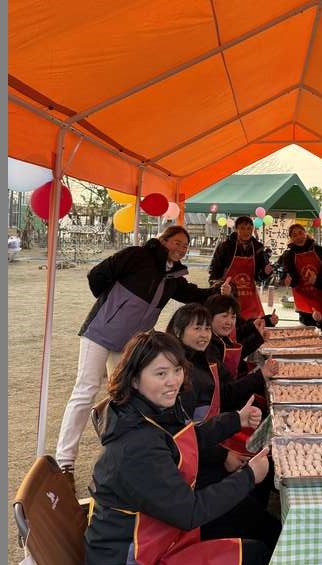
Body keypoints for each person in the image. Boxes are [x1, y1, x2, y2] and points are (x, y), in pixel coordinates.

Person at [85, 329, 322, 565]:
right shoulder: (136, 448)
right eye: (160, 373)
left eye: (176, 370)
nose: (173, 381)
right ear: (134, 379)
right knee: (251, 558)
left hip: (163, 531)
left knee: (246, 513)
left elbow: (187, 438)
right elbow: (190, 512)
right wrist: (249, 476)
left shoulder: (144, 411)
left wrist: (235, 420)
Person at [55, 225, 229, 487]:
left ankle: (118, 454)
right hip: (100, 332)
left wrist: (217, 293)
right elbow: (97, 275)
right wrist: (113, 306)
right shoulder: (137, 255)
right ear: (164, 240)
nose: (181, 249)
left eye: (185, 246)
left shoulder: (173, 277)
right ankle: (65, 461)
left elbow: (192, 294)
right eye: (177, 242)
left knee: (124, 395)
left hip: (129, 344)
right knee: (85, 390)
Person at [166, 303, 279, 514]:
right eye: (196, 328)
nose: (204, 334)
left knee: (263, 475)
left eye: (206, 328)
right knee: (254, 500)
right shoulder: (180, 377)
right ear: (178, 331)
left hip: (208, 445)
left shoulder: (204, 358)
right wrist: (222, 456)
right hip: (192, 470)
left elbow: (223, 395)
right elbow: (182, 436)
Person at [209, 215, 272, 320]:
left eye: (249, 228)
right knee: (229, 321)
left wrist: (265, 273)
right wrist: (217, 288)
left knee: (252, 324)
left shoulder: (258, 248)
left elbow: (258, 277)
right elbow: (214, 271)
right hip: (228, 293)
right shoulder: (225, 246)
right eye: (242, 228)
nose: (246, 232)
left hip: (249, 296)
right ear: (236, 229)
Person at [278, 223, 322, 325]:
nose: (298, 237)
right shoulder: (289, 255)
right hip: (303, 298)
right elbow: (286, 273)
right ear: (291, 238)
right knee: (307, 329)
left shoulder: (319, 250)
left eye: (300, 233)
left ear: (305, 233)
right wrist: (287, 280)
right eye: (294, 235)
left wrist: (318, 279)